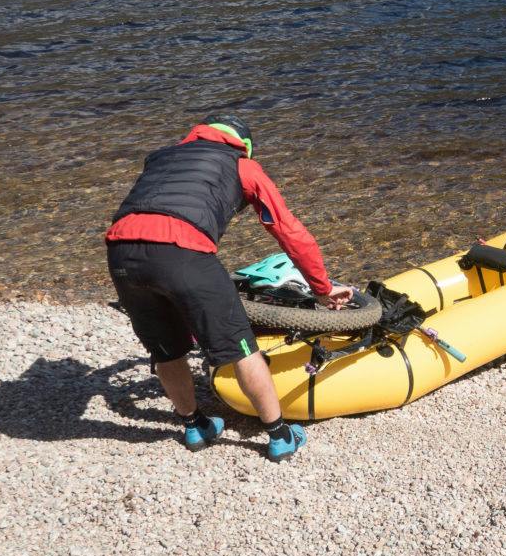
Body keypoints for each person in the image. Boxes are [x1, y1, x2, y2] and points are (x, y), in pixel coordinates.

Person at [105, 116, 352, 461]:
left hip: (120, 252)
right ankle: (279, 435)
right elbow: (289, 232)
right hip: (182, 252)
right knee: (240, 347)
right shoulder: (243, 166)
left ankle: (194, 426)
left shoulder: (161, 157)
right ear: (244, 146)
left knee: (166, 350)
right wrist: (322, 288)